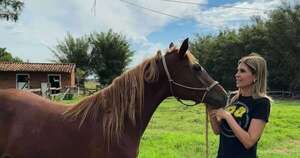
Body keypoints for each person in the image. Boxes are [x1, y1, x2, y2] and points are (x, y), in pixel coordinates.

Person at [208, 53, 272, 158]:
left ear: (255, 76)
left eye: (242, 71)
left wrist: (227, 116)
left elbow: (249, 142)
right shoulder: (232, 97)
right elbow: (218, 131)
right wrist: (210, 110)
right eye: (237, 70)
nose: (236, 75)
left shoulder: (262, 102)